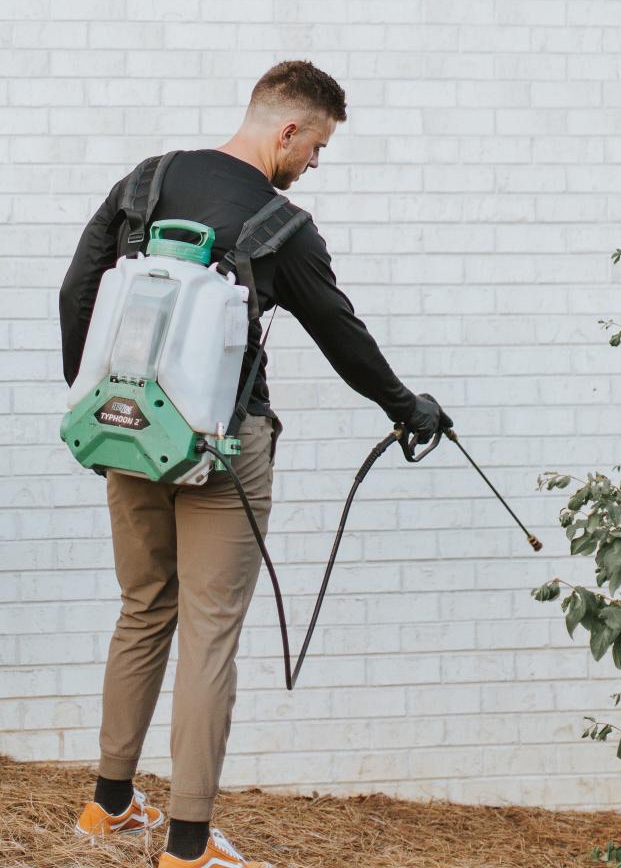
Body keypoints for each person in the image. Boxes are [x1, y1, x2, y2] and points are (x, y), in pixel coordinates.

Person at [58, 60, 450, 868]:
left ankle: (108, 808)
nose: (315, 166)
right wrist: (408, 406)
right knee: (208, 635)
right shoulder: (283, 227)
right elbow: (342, 335)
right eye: (318, 148)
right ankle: (190, 844)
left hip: (129, 429)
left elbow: (76, 292)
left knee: (141, 609)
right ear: (288, 130)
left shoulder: (146, 181)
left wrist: (102, 417)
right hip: (225, 448)